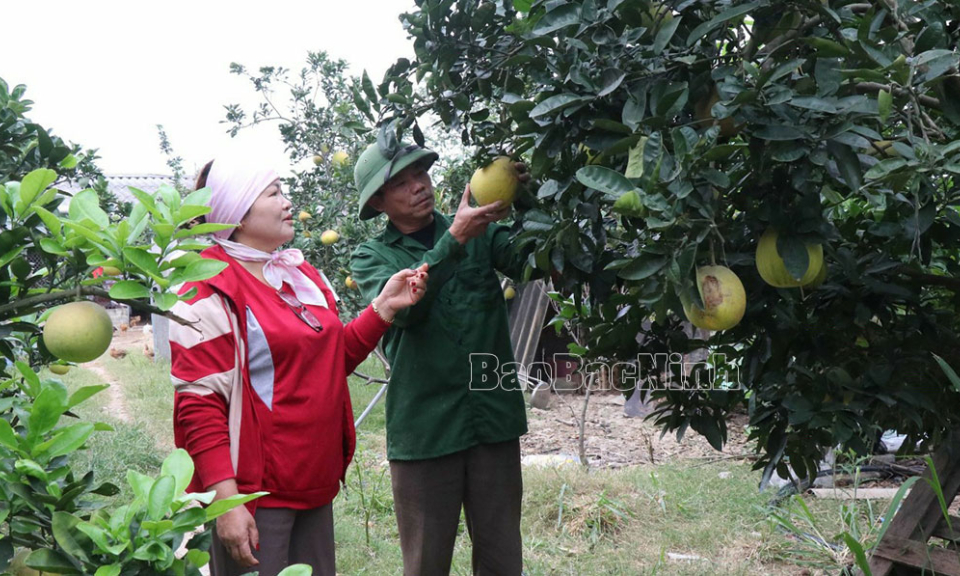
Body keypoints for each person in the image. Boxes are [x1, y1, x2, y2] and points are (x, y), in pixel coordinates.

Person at [168, 154, 428, 576]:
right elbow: (199, 405)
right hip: (258, 493)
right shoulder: (208, 289)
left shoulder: (299, 274)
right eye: (273, 193)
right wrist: (227, 501)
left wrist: (384, 307)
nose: (288, 202)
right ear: (238, 213)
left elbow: (330, 361)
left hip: (313, 479)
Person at [350, 138, 530, 576]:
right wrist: (454, 241)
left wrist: (530, 201)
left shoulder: (479, 230)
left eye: (422, 175)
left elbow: (532, 259)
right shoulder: (371, 256)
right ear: (379, 201)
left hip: (493, 419)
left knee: (503, 558)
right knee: (427, 563)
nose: (420, 187)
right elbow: (407, 314)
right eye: (403, 183)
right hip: (426, 429)